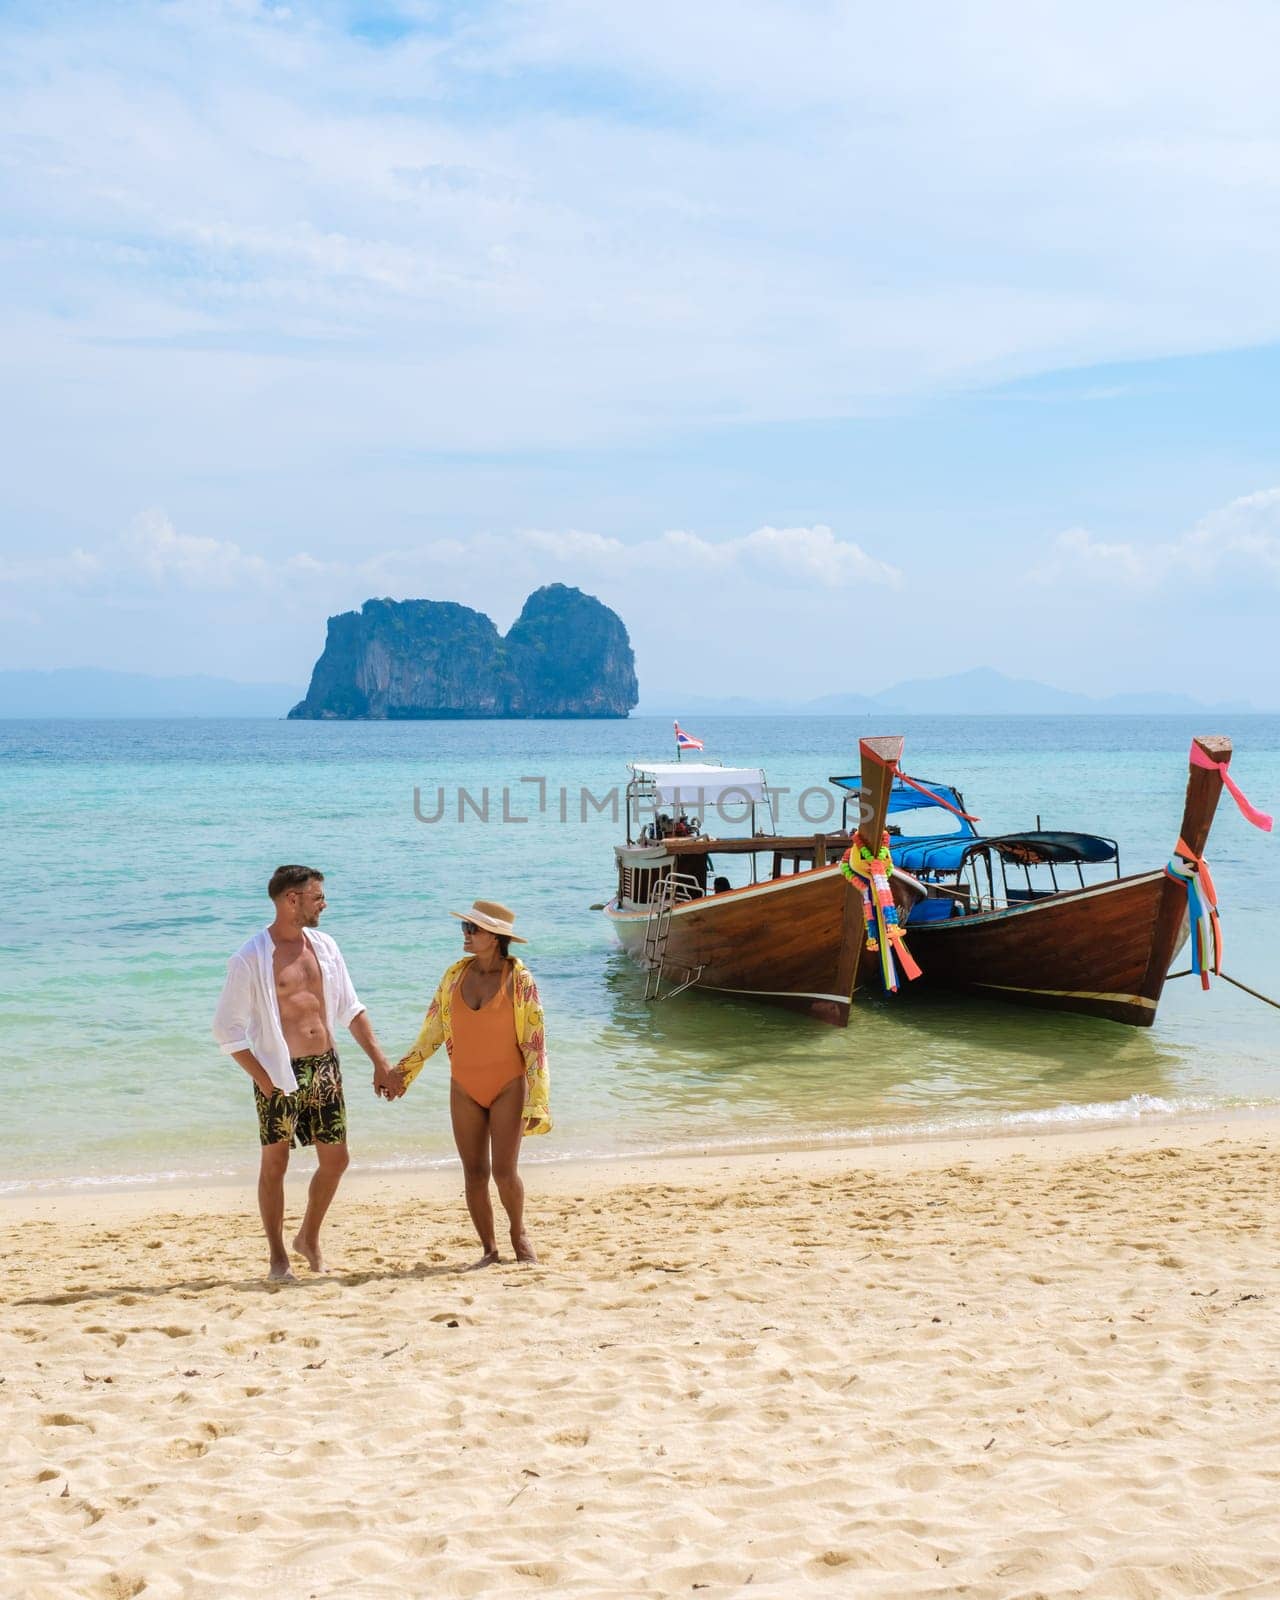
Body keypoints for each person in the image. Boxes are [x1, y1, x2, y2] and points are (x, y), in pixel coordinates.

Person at [212, 865, 398, 1280]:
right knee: (275, 1164)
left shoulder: (325, 947)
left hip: (325, 1068)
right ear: (291, 900)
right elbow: (226, 1028)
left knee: (336, 1159)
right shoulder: (250, 957)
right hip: (279, 1072)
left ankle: (308, 1237)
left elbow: (351, 1008)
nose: (324, 904)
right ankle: (278, 1256)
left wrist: (380, 1062)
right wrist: (262, 1078)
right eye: (317, 897)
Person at [388, 899, 551, 1268]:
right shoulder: (453, 977)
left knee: (504, 1172)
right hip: (463, 1086)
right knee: (474, 1173)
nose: (466, 934)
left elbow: (535, 1045)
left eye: (473, 929)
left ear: (495, 937)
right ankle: (489, 1250)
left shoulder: (520, 981)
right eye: (465, 928)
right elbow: (431, 1032)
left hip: (509, 1085)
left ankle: (518, 1235)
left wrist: (536, 1102)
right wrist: (402, 1074)